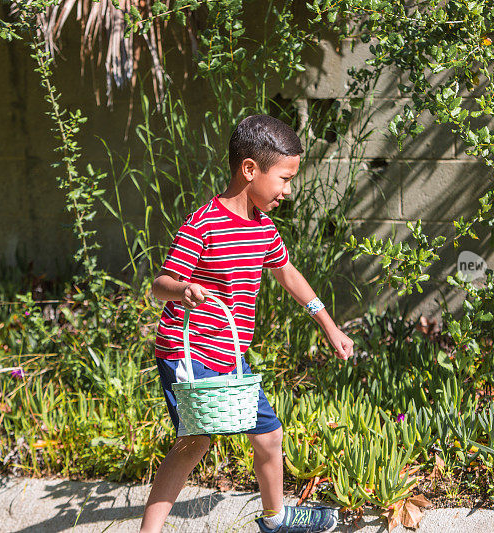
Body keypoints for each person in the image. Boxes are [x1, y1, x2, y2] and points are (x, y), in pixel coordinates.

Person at [139, 114, 354, 533]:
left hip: (229, 355)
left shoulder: (262, 228)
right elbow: (159, 284)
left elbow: (288, 273)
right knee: (194, 443)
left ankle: (275, 519)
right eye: (285, 178)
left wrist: (328, 325)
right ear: (250, 169)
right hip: (187, 352)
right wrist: (183, 289)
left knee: (269, 437)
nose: (288, 191)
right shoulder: (202, 224)